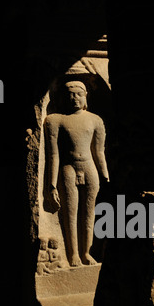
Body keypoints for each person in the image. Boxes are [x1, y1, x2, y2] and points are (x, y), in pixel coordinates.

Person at [44, 81, 109, 267]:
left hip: (89, 168)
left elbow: (99, 152)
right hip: (68, 168)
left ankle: (87, 252)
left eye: (78, 94)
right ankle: (73, 254)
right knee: (70, 214)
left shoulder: (95, 120)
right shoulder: (55, 120)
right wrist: (52, 184)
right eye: (70, 95)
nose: (74, 98)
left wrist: (106, 177)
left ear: (85, 96)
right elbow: (53, 155)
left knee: (89, 214)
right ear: (63, 98)